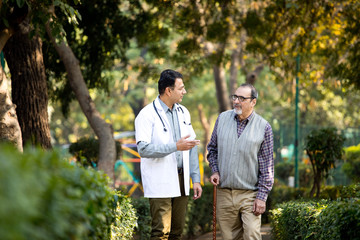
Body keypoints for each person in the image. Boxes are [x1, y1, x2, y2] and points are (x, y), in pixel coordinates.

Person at [135, 69, 203, 240]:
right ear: (168, 90)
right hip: (160, 179)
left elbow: (192, 146)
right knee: (161, 232)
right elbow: (143, 149)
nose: (184, 92)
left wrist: (196, 178)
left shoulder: (183, 112)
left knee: (177, 232)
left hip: (182, 179)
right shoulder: (146, 114)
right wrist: (174, 146)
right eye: (181, 88)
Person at [207, 83, 274, 240]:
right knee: (229, 237)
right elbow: (212, 150)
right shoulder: (222, 119)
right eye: (235, 97)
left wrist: (262, 197)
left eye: (242, 98)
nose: (236, 101)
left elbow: (267, 166)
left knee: (252, 234)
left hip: (250, 194)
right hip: (224, 192)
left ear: (253, 102)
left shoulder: (264, 127)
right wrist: (215, 170)